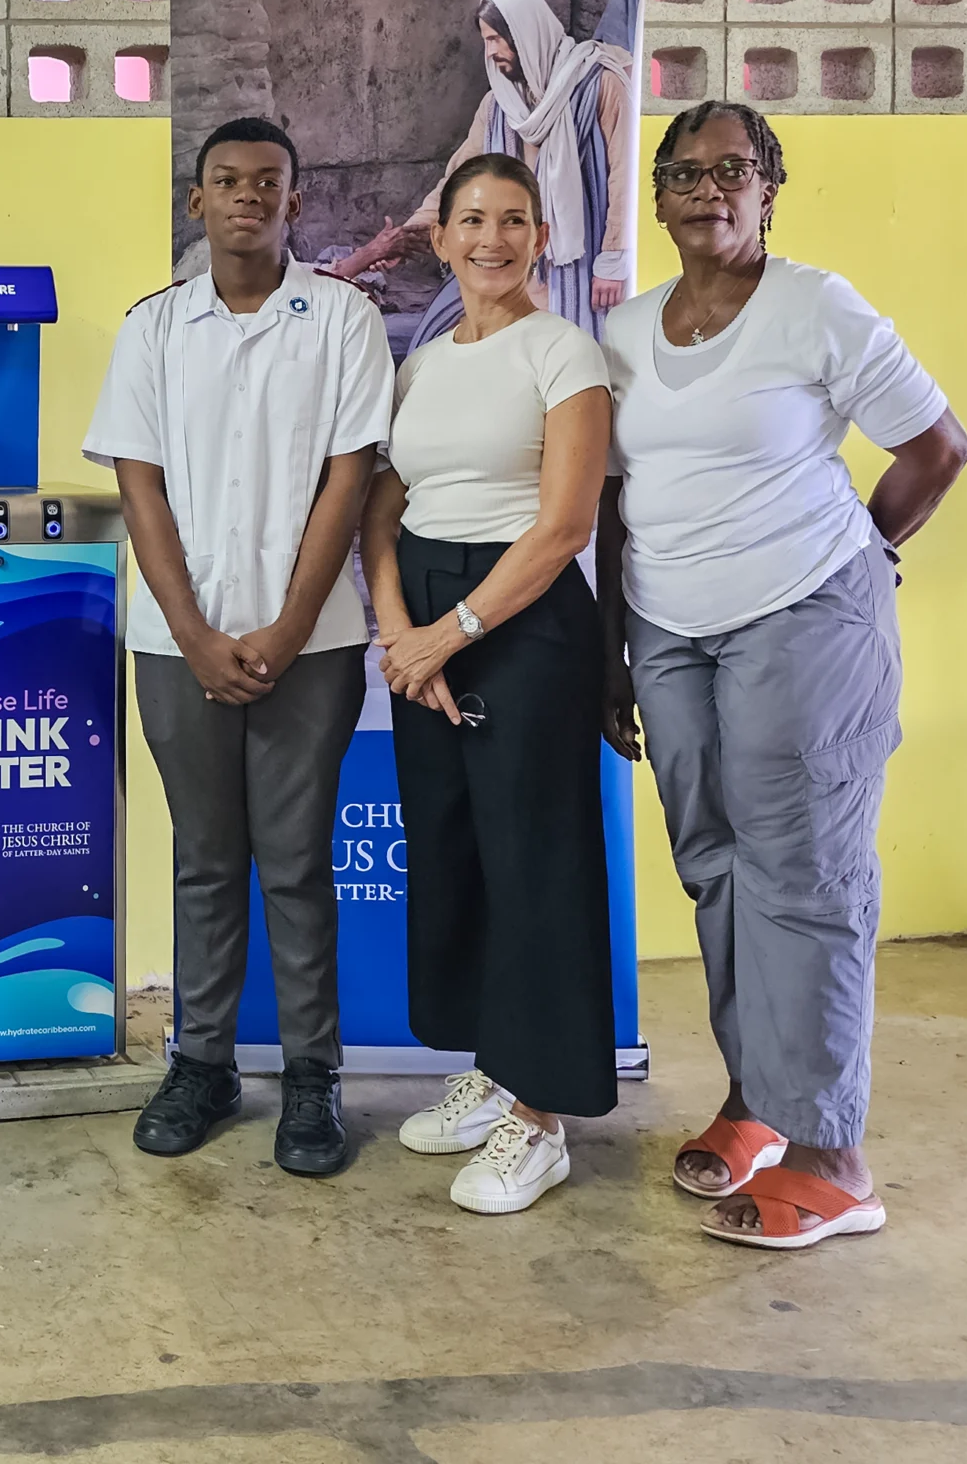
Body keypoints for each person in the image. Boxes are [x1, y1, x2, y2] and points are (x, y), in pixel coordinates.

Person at [600, 101, 967, 1250]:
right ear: (656, 196)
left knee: (803, 874)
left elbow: (936, 446)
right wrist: (614, 645)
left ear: (769, 188)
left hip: (801, 617)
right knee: (715, 867)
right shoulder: (621, 330)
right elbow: (615, 502)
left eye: (735, 169)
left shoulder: (816, 305)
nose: (709, 187)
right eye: (686, 171)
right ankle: (760, 1098)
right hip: (668, 629)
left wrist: (868, 551)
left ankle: (833, 1156)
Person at [85, 116, 389, 1176]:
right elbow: (138, 484)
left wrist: (289, 625)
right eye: (226, 181)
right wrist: (195, 633)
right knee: (207, 860)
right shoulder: (154, 327)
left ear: (296, 203)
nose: (248, 196)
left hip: (311, 644)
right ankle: (202, 1061)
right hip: (178, 645)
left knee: (298, 864)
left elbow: (350, 481)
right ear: (196, 202)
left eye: (268, 182)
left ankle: (312, 1075)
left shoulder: (344, 319)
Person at [359, 153, 616, 1215]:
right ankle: (493, 1068)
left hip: (521, 620)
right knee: (457, 850)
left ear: (542, 235)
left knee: (535, 862)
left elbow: (564, 524)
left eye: (513, 220)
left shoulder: (564, 353)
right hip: (424, 620)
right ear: (439, 236)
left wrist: (449, 632)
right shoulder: (421, 365)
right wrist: (399, 631)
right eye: (471, 219)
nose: (491, 239)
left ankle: (541, 1118)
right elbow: (383, 506)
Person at [397, 0, 634, 347]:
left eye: (497, 40)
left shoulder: (600, 84)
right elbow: (462, 175)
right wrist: (414, 228)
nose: (490, 52)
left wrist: (613, 260)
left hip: (580, 265)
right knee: (438, 340)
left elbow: (625, 176)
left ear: (525, 35)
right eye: (486, 41)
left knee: (579, 357)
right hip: (517, 258)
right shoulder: (497, 105)